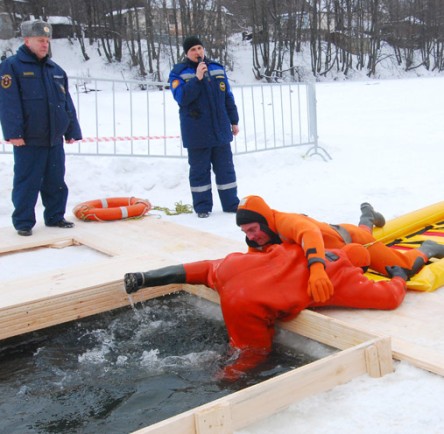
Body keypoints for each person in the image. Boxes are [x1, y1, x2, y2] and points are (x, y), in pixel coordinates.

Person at [124, 242, 408, 380]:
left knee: (201, 269)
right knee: (252, 354)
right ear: (359, 269)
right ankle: (218, 385)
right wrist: (398, 277)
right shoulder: (345, 278)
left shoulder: (299, 248)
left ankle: (146, 277)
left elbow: (265, 247)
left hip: (234, 270)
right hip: (250, 304)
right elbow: (389, 298)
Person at [235, 195, 444, 303]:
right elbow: (255, 266)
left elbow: (309, 234)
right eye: (246, 232)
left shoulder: (285, 222)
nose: (251, 237)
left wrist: (316, 269)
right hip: (339, 236)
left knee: (404, 268)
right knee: (355, 239)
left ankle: (429, 248)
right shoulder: (257, 239)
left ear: (264, 222)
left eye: (253, 229)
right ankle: (368, 216)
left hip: (351, 242)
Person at [0, 20, 82, 236]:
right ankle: (24, 222)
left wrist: (72, 130)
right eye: (40, 40)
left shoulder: (55, 70)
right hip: (28, 139)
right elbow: (9, 102)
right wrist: (13, 133)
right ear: (27, 41)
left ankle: (55, 217)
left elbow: (66, 103)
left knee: (56, 180)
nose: (45, 45)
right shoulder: (12, 67)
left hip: (53, 138)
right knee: (27, 181)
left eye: (47, 41)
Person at [169, 36, 240, 218]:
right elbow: (182, 98)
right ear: (187, 53)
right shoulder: (179, 73)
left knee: (226, 168)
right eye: (193, 49)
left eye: (200, 48)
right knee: (200, 171)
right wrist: (197, 78)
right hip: (197, 132)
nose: (197, 52)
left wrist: (234, 121)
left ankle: (231, 203)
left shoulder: (216, 68)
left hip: (220, 129)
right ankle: (202, 207)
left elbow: (227, 97)